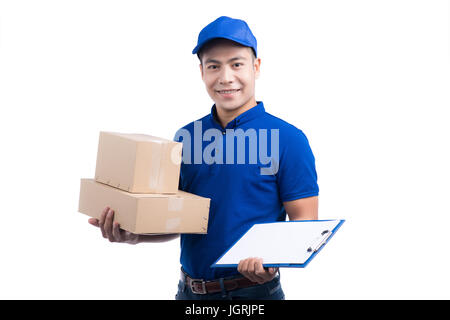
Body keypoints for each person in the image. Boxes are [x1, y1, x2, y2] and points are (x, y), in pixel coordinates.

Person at [88, 16, 319, 300]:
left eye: (237, 64)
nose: (225, 77)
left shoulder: (288, 139)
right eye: (214, 66)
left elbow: (304, 224)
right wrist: (136, 236)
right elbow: (179, 221)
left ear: (256, 67)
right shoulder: (186, 137)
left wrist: (271, 263)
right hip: (189, 293)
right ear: (201, 72)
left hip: (253, 295)